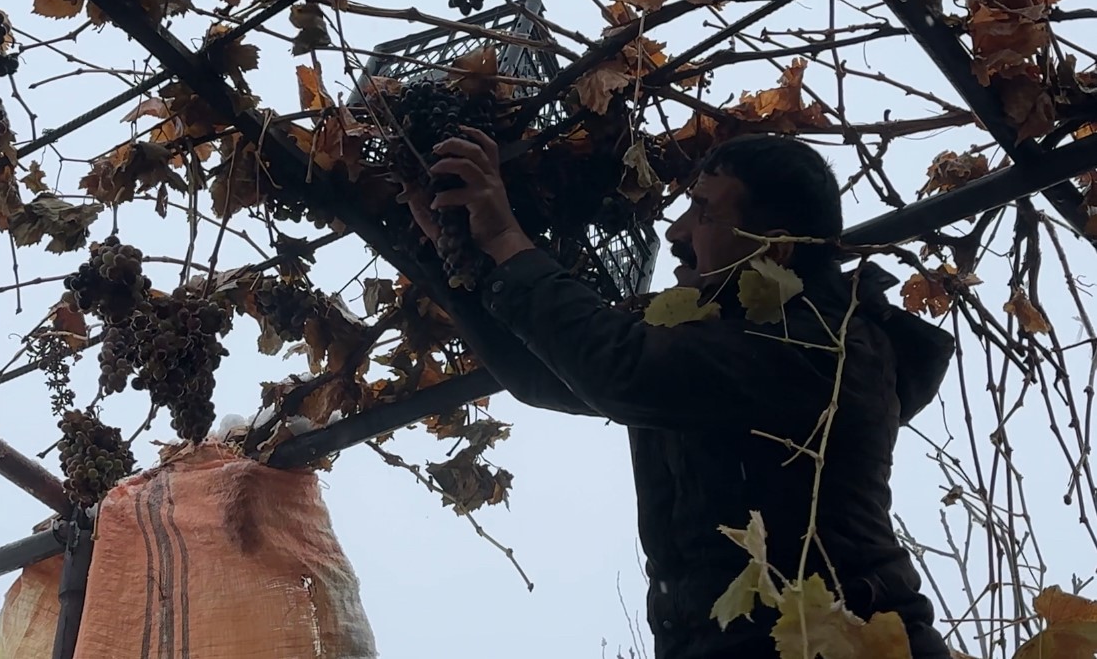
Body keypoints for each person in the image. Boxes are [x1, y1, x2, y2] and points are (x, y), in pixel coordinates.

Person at [402, 130, 955, 659]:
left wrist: (505, 239)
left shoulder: (823, 348)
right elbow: (540, 374)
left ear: (776, 250)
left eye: (705, 212)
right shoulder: (712, 340)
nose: (677, 232)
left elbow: (620, 368)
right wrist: (452, 257)